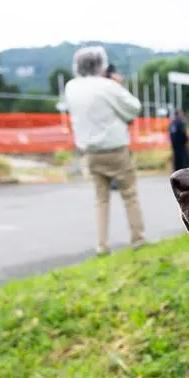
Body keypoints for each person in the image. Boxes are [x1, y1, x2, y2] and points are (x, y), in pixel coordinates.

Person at [63, 46, 145, 256]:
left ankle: (102, 244)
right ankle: (138, 239)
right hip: (115, 150)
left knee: (101, 199)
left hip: (89, 153)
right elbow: (133, 108)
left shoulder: (71, 87)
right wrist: (117, 85)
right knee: (129, 195)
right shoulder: (109, 86)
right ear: (101, 65)